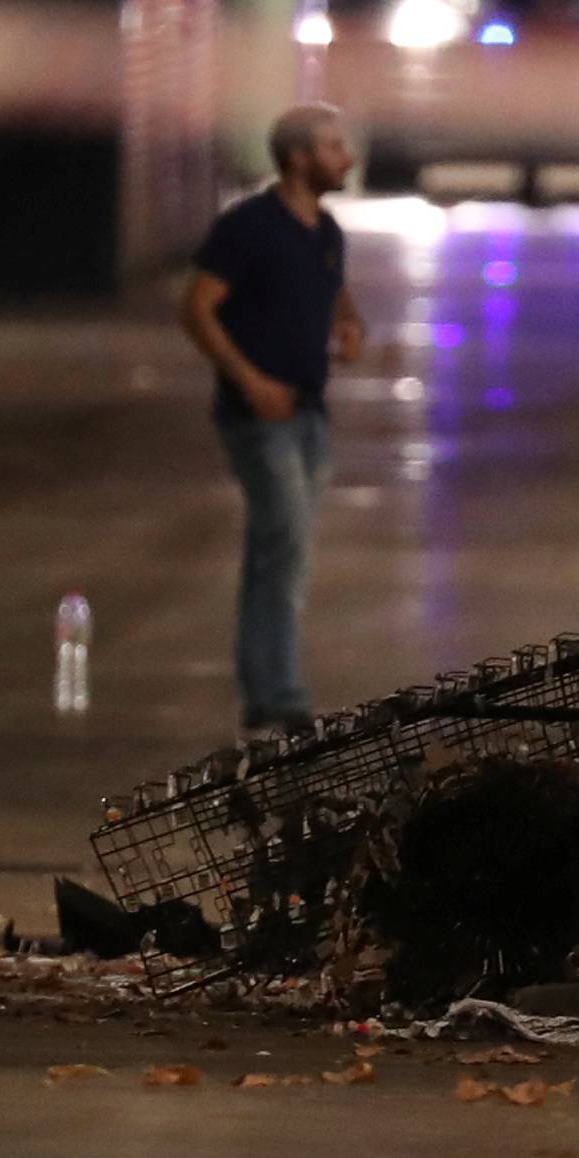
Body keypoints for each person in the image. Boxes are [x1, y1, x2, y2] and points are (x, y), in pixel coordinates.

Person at [180, 104, 366, 739]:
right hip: (258, 417)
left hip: (311, 414)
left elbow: (335, 292)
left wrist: (347, 324)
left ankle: (263, 692)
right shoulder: (248, 227)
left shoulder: (326, 233)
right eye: (333, 147)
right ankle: (282, 697)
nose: (346, 158)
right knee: (285, 548)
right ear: (297, 158)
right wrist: (250, 381)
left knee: (278, 551)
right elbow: (198, 309)